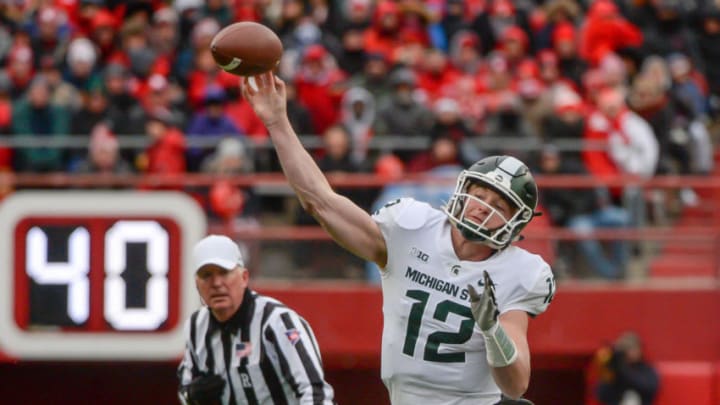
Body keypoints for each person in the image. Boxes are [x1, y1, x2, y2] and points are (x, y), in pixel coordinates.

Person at [242, 72, 556, 404]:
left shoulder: (519, 272)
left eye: (498, 206)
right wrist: (278, 123)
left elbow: (516, 384)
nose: (482, 209)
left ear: (515, 222)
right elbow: (320, 202)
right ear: (462, 191)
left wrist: (493, 332)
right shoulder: (412, 227)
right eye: (480, 196)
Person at [177, 235, 335, 405]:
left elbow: (314, 393)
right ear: (196, 283)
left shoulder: (277, 322)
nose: (216, 283)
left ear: (244, 277)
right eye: (206, 275)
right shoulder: (196, 326)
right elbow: (185, 386)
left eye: (224, 272)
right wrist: (191, 395)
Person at [593, 331, 660, 405]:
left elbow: (650, 388)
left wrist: (623, 370)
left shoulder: (646, 369)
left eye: (632, 348)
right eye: (626, 349)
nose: (629, 353)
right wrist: (612, 371)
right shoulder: (615, 370)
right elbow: (601, 395)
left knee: (631, 397)